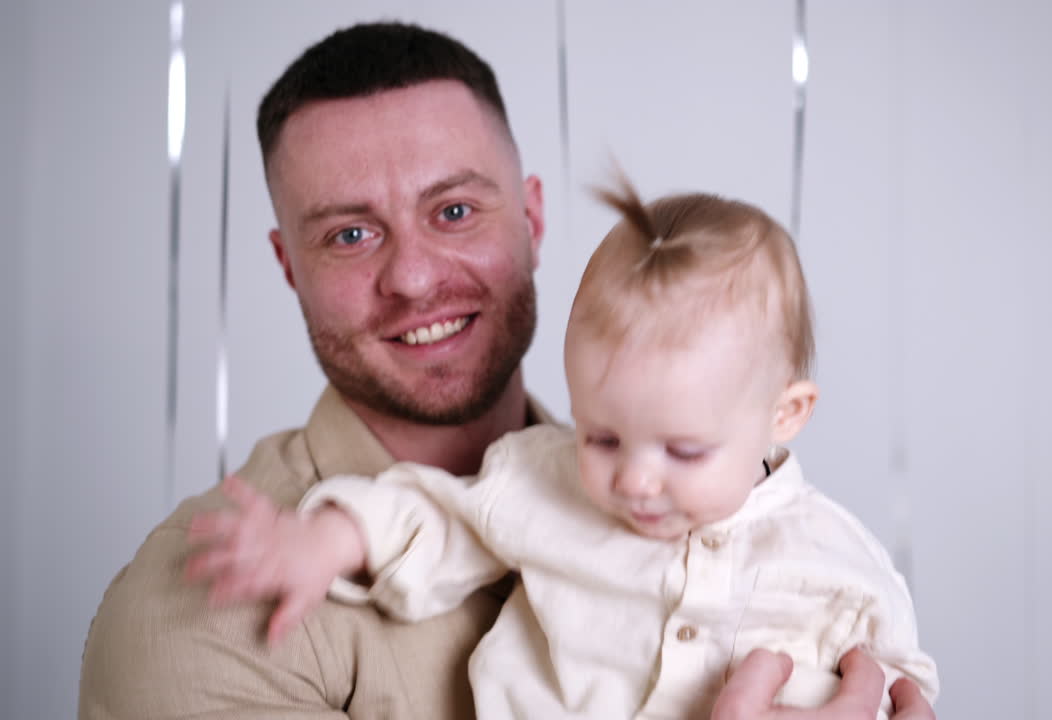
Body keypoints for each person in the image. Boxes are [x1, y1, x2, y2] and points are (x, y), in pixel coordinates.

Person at [78, 21, 937, 720]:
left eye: (455, 210)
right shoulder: (204, 615)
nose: (414, 277)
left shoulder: (782, 531)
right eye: (350, 234)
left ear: (531, 219)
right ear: (288, 266)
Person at [185, 181, 940, 720]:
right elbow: (438, 515)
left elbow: (902, 684)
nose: (635, 479)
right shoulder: (542, 482)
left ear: (785, 413)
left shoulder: (836, 558)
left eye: (684, 451)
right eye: (602, 436)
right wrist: (328, 540)